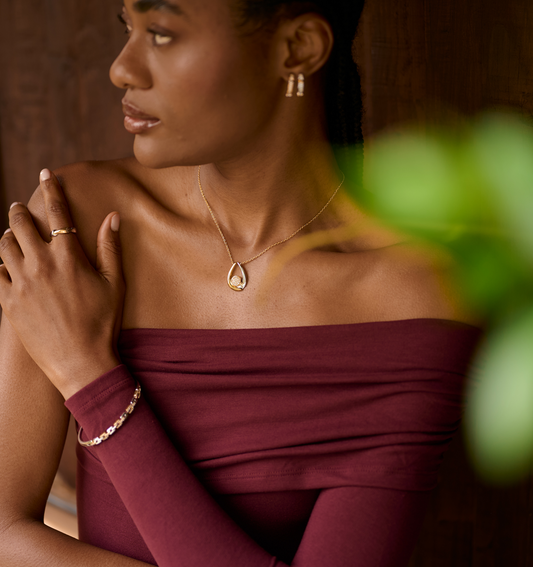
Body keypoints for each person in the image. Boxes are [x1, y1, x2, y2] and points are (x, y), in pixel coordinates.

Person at [0, 0, 482, 566]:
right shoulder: (77, 221)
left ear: (297, 48)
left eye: (161, 33)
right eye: (127, 26)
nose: (121, 68)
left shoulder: (415, 295)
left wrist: (91, 379)